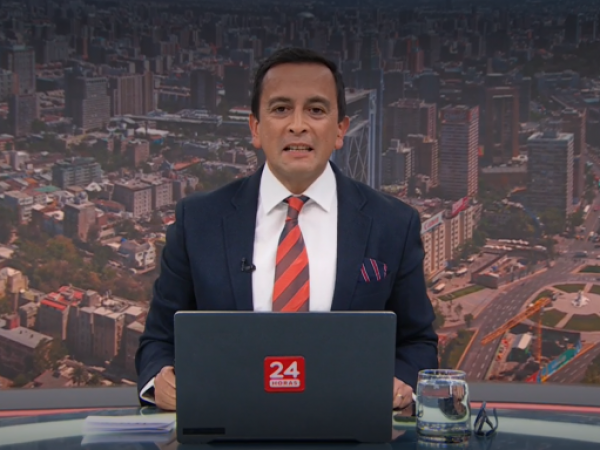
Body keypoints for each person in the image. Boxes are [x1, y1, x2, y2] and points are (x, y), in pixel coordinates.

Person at [135, 47, 438, 412]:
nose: (298, 125)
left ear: (340, 129)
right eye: (281, 109)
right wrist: (160, 381)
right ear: (255, 128)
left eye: (316, 110)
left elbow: (418, 342)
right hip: (229, 426)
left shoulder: (393, 224)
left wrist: (403, 382)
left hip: (349, 426)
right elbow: (158, 342)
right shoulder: (198, 221)